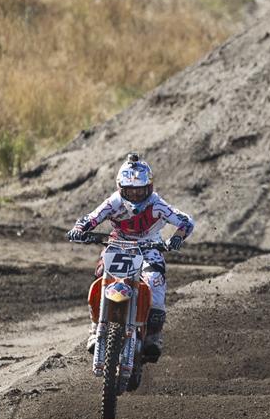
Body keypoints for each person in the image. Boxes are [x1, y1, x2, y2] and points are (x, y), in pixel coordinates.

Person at [67, 153, 194, 360]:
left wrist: (177, 238)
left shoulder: (157, 203)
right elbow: (92, 217)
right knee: (101, 276)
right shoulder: (114, 202)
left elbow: (186, 221)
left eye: (139, 191)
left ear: (149, 188)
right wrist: (79, 229)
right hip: (118, 243)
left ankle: (154, 336)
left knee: (155, 282)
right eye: (130, 191)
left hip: (149, 246)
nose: (135, 196)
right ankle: (94, 327)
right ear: (121, 188)